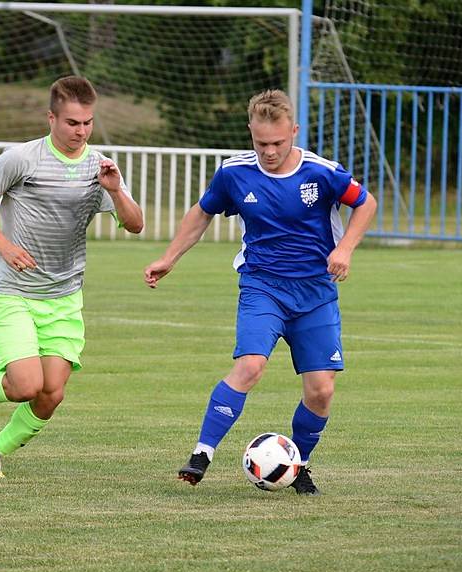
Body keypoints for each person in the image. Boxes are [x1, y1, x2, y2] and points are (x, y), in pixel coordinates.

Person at [144, 89, 376, 495]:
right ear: (250, 133)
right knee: (250, 365)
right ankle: (201, 454)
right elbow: (203, 212)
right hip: (262, 286)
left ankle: (299, 465)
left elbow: (366, 202)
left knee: (321, 390)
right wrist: (170, 257)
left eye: (278, 143)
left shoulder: (321, 172)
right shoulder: (234, 173)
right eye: (260, 143)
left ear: (294, 132)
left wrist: (345, 248)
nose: (269, 151)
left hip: (315, 293)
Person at [0, 76, 143, 478]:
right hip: (14, 291)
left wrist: (116, 190)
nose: (81, 131)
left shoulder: (100, 167)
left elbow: (136, 224)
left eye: (88, 123)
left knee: (50, 395)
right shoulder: (21, 159)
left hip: (64, 295)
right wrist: (4, 246)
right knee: (24, 385)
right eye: (72, 122)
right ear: (51, 117)